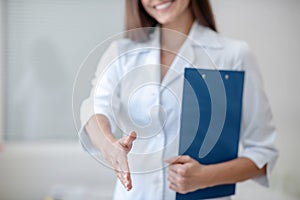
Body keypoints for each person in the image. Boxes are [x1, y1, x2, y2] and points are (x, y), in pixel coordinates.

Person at [79, 0, 278, 199]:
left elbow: (263, 154)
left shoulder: (233, 55)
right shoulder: (121, 52)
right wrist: (109, 147)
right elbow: (95, 107)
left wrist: (206, 177)